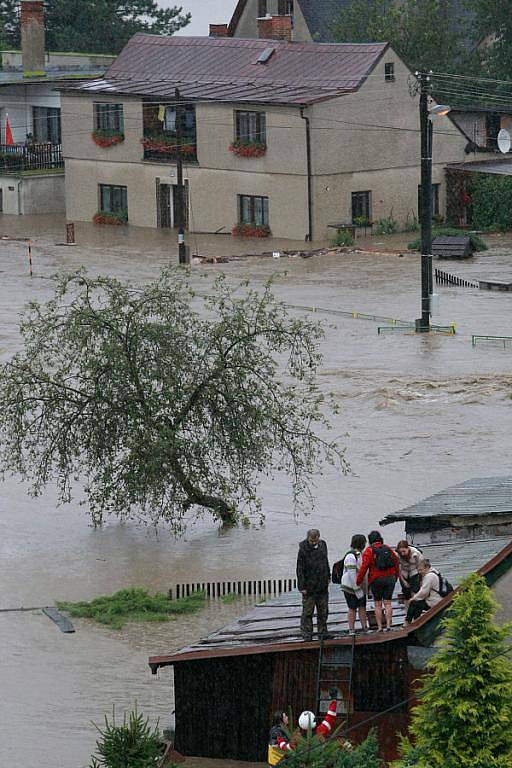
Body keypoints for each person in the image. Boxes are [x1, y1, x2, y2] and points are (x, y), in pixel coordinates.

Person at [356, 530, 399, 632]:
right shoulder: (387, 548)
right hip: (390, 578)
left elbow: (364, 567)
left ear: (370, 540)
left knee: (378, 604)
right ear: (380, 538)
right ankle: (389, 625)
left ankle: (380, 627)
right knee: (388, 603)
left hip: (376, 579)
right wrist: (396, 576)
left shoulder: (369, 551)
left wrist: (358, 581)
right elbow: (396, 562)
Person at [296, 528, 332, 641]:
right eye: (312, 541)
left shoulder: (323, 545)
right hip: (309, 586)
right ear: (308, 538)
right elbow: (299, 569)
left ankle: (322, 632)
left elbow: (326, 561)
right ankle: (307, 633)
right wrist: (302, 586)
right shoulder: (303, 549)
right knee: (307, 612)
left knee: (323, 611)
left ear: (319, 538)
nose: (314, 543)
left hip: (322, 584)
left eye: (315, 541)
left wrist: (328, 575)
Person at [340, 534, 369, 634]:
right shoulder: (350, 556)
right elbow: (352, 575)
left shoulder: (360, 554)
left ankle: (364, 627)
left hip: (360, 587)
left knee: (362, 607)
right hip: (349, 586)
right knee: (352, 608)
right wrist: (357, 590)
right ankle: (351, 629)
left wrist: (365, 589)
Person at [405, 559, 443, 624]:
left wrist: (413, 598)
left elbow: (424, 592)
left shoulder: (429, 576)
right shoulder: (435, 572)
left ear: (427, 567)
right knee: (417, 603)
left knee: (415, 602)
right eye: (418, 570)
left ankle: (409, 622)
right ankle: (415, 621)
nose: (419, 572)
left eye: (421, 570)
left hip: (434, 601)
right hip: (436, 599)